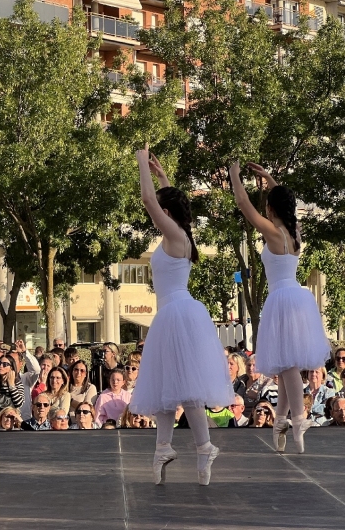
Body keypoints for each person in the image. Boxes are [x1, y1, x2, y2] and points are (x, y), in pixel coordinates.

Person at [130, 148, 233, 487]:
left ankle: (191, 446)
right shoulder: (180, 234)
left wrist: (142, 161)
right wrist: (162, 177)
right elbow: (164, 202)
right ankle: (179, 447)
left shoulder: (175, 236)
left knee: (180, 385)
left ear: (167, 211)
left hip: (175, 312)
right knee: (169, 384)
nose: (154, 212)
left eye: (162, 208)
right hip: (177, 312)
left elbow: (147, 200)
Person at [229, 161, 331, 453]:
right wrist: (270, 179)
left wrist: (235, 175)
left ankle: (298, 418)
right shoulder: (294, 233)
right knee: (290, 365)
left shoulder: (273, 232)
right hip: (297, 298)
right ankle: (282, 421)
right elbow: (287, 203)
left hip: (281, 299)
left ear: (271, 209)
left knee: (287, 366)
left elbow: (242, 203)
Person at [0, 354, 24, 421]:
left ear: (11, 368)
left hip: (10, 418)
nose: (1, 366)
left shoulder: (17, 383)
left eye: (5, 364)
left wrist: (11, 385)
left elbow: (19, 403)